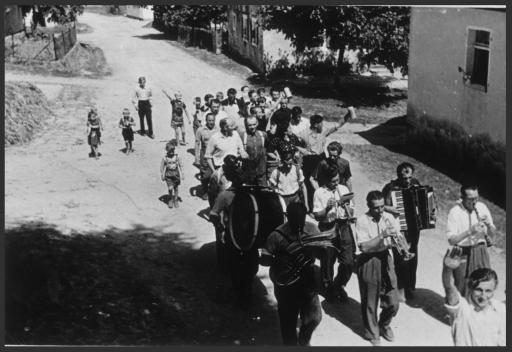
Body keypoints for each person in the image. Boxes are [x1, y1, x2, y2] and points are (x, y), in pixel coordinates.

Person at [260, 202, 322, 346]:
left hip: (307, 281)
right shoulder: (276, 235)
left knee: (315, 317)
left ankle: (304, 339)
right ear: (287, 217)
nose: (299, 225)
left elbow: (323, 254)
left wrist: (313, 250)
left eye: (301, 220)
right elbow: (264, 260)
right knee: (288, 323)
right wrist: (282, 258)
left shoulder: (312, 229)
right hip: (286, 286)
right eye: (295, 220)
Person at [209, 157, 259, 310]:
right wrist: (222, 229)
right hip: (238, 237)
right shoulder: (226, 195)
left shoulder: (249, 194)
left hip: (245, 237)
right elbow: (214, 213)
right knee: (239, 268)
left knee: (247, 267)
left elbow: (213, 214)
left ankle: (245, 294)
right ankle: (242, 296)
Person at [355, 190, 401, 346]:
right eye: (376, 208)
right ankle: (372, 332)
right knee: (370, 301)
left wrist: (403, 246)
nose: (380, 211)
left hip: (386, 259)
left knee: (393, 301)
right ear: (369, 206)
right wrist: (382, 236)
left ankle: (384, 324)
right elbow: (365, 248)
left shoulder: (388, 217)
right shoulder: (362, 220)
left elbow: (398, 239)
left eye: (382, 207)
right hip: (369, 261)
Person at [442, 248, 505, 346]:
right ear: (470, 287)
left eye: (488, 291)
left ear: (494, 290)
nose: (483, 296)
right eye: (479, 290)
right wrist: (447, 269)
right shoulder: (461, 309)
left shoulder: (500, 309)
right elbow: (449, 287)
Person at [381, 162, 424, 301]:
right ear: (398, 175)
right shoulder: (390, 188)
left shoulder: (416, 184)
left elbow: (426, 201)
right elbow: (380, 205)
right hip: (398, 227)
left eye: (409, 177)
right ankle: (400, 287)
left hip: (413, 228)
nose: (407, 181)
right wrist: (390, 209)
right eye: (404, 178)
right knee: (400, 257)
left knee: (413, 257)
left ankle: (410, 287)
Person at [313, 165, 355, 302]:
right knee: (327, 260)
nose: (336, 183)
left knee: (348, 261)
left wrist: (347, 207)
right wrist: (327, 208)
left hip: (343, 226)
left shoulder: (343, 189)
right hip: (327, 227)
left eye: (337, 180)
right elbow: (318, 216)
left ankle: (339, 285)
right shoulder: (319, 193)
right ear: (325, 180)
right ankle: (329, 287)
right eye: (333, 181)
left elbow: (352, 211)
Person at [446, 184, 496, 296]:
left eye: (476, 198)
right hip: (461, 251)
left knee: (483, 284)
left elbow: (493, 234)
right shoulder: (455, 212)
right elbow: (451, 241)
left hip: (480, 250)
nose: (474, 202)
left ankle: (477, 311)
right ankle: (459, 311)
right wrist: (470, 231)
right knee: (462, 285)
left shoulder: (482, 207)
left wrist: (489, 225)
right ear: (462, 197)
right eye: (470, 199)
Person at [239, 115, 267, 186]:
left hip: (261, 170)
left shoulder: (263, 135)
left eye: (254, 124)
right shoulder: (242, 136)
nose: (252, 127)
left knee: (263, 192)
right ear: (246, 125)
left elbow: (267, 149)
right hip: (248, 172)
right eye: (250, 125)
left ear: (257, 123)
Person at [195, 113, 217, 200]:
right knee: (205, 176)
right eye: (209, 120)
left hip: (215, 155)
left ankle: (213, 192)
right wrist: (197, 157)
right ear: (206, 120)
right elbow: (197, 144)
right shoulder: (200, 130)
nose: (211, 122)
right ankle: (205, 191)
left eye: (213, 120)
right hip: (204, 155)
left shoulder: (218, 129)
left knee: (215, 174)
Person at [160, 140, 184, 208]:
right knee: (170, 188)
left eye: (173, 151)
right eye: (170, 151)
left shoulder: (177, 157)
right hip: (168, 175)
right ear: (167, 150)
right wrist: (162, 174)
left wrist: (182, 174)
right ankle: (170, 199)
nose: (171, 153)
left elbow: (181, 165)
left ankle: (175, 199)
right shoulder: (165, 158)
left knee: (176, 188)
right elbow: (162, 167)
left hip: (176, 174)